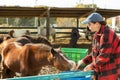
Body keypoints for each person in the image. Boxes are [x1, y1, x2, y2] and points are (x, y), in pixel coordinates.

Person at [75, 12, 120, 80]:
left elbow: (104, 56)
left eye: (90, 24)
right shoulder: (97, 34)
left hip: (109, 70)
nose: (88, 27)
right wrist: (83, 61)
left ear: (97, 23)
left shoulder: (107, 34)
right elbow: (95, 52)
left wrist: (91, 66)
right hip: (100, 69)